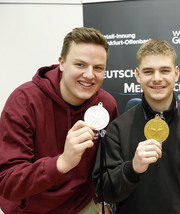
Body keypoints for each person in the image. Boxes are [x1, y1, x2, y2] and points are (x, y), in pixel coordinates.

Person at [93, 39, 180, 214]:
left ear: (176, 74)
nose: (156, 78)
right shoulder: (117, 129)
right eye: (148, 71)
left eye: (164, 70)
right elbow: (105, 191)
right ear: (138, 75)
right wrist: (132, 168)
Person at [0, 27, 118, 213]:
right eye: (80, 65)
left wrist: (103, 202)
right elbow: (7, 182)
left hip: (82, 204)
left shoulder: (106, 104)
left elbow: (106, 165)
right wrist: (61, 163)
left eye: (98, 68)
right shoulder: (24, 101)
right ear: (61, 63)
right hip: (32, 208)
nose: (89, 75)